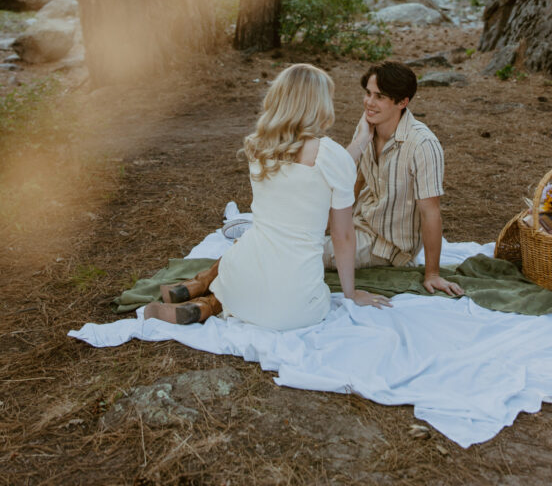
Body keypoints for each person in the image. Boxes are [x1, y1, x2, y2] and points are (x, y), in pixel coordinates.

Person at [144, 63, 391, 329]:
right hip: (299, 308)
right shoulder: (332, 156)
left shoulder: (258, 146)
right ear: (319, 104)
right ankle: (205, 302)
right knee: (257, 257)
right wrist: (351, 294)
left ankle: (204, 301)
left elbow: (315, 171)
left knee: (244, 248)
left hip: (243, 276)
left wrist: (360, 143)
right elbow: (342, 236)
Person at [323, 60, 463, 297]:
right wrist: (327, 228)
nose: (369, 102)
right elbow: (353, 183)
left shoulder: (423, 145)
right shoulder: (368, 128)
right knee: (296, 231)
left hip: (387, 247)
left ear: (402, 102)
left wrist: (432, 274)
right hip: (358, 225)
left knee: (302, 251)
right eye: (368, 93)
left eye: (379, 97)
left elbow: (431, 213)